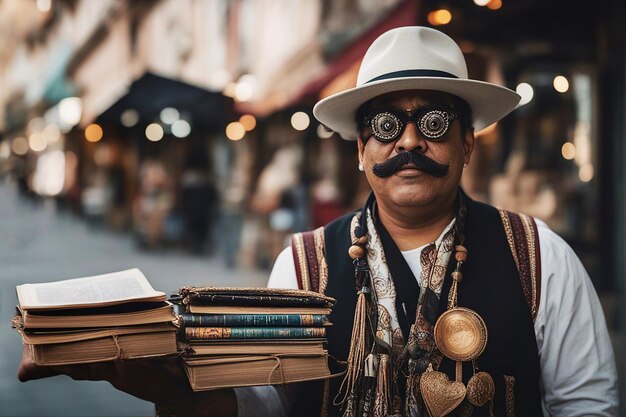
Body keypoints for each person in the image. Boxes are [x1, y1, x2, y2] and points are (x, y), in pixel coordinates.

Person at [18, 26, 617, 417]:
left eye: (434, 122)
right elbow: (266, 403)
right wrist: (174, 383)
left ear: (466, 145)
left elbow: (588, 404)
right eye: (385, 125)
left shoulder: (539, 255)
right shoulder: (302, 264)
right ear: (360, 152)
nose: (409, 141)